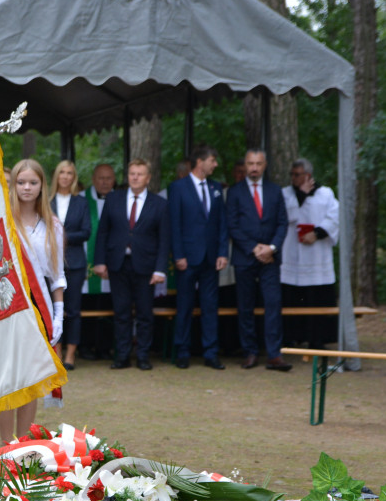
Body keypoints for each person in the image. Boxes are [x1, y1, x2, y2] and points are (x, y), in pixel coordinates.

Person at [0, 159, 66, 441]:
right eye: (21, 182)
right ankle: (5, 445)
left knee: (31, 380)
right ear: (12, 185)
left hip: (38, 309)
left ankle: (23, 443)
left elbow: (57, 276)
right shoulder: (1, 222)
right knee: (8, 380)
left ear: (42, 186)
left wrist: (59, 314)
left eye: (33, 183)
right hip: (6, 306)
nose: (26, 188)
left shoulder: (53, 225)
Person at [93, 159, 170, 371]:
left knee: (145, 313)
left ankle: (143, 356)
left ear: (148, 178)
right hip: (118, 264)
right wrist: (100, 262)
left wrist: (160, 269)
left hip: (146, 266)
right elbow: (103, 232)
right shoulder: (114, 199)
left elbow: (164, 239)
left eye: (140, 174)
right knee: (121, 313)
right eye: (132, 173)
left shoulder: (160, 204)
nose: (135, 177)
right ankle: (122, 356)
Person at [226, 149, 291, 371]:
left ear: (265, 165)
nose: (254, 167)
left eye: (258, 163)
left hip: (270, 258)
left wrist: (271, 248)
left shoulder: (275, 191)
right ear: (245, 165)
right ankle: (250, 352)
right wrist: (254, 249)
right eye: (250, 163)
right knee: (245, 306)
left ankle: (274, 354)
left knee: (273, 304)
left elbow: (283, 223)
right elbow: (232, 225)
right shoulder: (234, 192)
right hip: (245, 257)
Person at [169, 146, 229, 370]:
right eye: (212, 161)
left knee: (210, 306)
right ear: (200, 162)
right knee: (184, 306)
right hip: (187, 257)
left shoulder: (215, 187)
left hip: (211, 258)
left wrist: (223, 252)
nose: (215, 165)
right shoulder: (178, 187)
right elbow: (174, 225)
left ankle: (211, 352)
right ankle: (182, 351)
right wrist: (179, 255)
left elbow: (222, 223)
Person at [280, 158, 340, 349]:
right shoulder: (286, 194)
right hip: (292, 254)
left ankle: (318, 339)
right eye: (292, 174)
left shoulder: (325, 193)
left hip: (317, 253)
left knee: (317, 300)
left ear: (308, 175)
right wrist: (301, 196)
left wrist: (317, 233)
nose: (293, 178)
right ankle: (293, 337)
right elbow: (285, 216)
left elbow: (335, 217)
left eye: (297, 175)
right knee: (292, 300)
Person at [50, 160, 89, 371]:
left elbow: (86, 232)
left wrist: (61, 236)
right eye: (62, 172)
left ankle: (71, 355)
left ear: (74, 178)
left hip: (75, 263)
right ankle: (55, 352)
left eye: (70, 173)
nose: (65, 176)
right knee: (53, 310)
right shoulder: (46, 200)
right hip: (50, 263)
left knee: (73, 309)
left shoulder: (81, 202)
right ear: (57, 176)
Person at [79, 163, 117, 360]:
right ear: (93, 179)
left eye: (109, 178)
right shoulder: (81, 200)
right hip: (86, 263)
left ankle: (105, 347)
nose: (104, 182)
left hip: (114, 264)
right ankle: (84, 346)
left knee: (108, 305)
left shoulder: (120, 199)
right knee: (87, 304)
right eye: (101, 178)